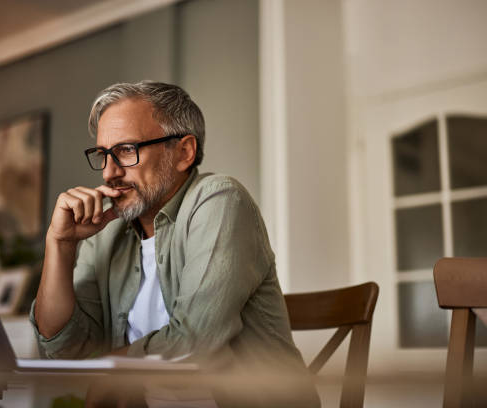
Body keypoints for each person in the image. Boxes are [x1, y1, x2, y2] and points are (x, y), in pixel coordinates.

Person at [30, 81, 320, 407]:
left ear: (184, 152)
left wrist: (106, 371)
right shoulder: (107, 230)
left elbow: (194, 344)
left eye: (126, 150)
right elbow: (65, 350)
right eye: (103, 154)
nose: (109, 172)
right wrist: (60, 244)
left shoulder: (219, 199)